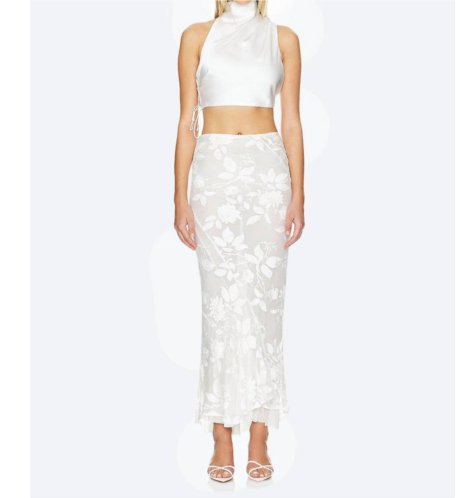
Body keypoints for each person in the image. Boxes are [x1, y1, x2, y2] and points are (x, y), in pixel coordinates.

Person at [173, 0, 305, 483]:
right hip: (213, 173)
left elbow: (291, 121)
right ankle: (221, 435)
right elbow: (187, 120)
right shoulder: (195, 36)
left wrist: (298, 194)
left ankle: (260, 435)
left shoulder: (283, 38)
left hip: (267, 174)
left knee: (265, 307)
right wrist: (179, 196)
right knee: (220, 307)